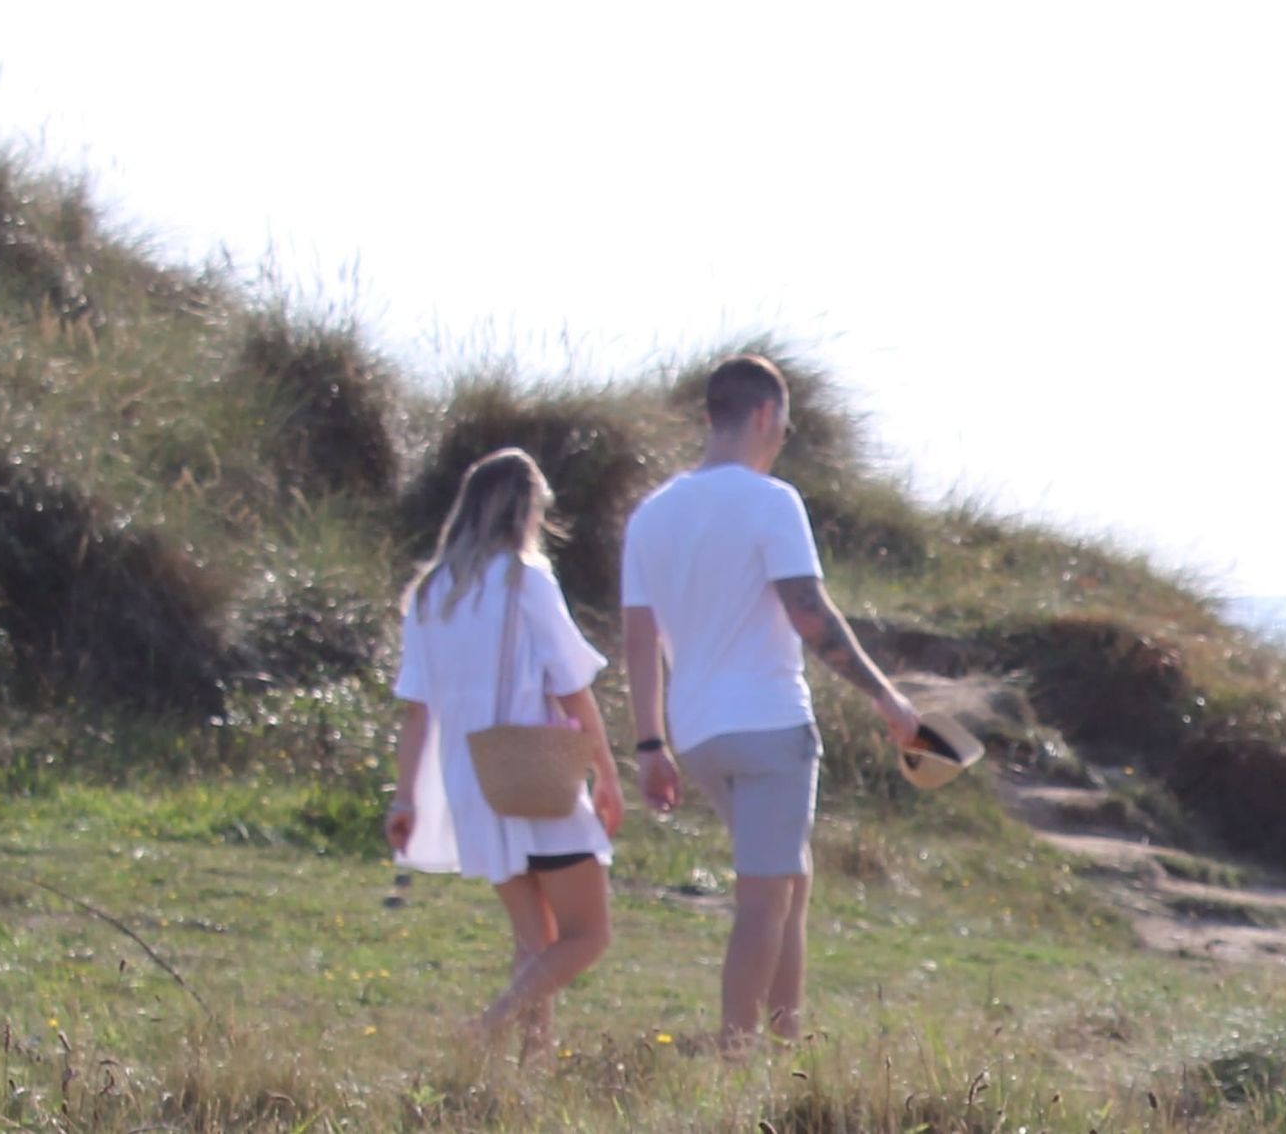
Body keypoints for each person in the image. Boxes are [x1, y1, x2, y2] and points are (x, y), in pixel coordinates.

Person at [621, 354, 921, 1054]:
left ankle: (786, 1039)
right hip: (768, 723)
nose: (783, 436)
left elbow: (638, 635)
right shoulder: (771, 501)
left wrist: (649, 743)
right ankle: (739, 1055)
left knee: (791, 878)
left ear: (708, 417)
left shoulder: (651, 514)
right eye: (783, 422)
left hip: (698, 734)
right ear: (764, 415)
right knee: (763, 897)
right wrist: (886, 696)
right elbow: (809, 613)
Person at [385, 447, 626, 1057]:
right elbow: (572, 685)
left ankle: (527, 1071)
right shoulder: (525, 579)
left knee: (534, 938)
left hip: (470, 782)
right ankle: (487, 1028)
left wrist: (404, 794)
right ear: (525, 510)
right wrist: (606, 772)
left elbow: (417, 711)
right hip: (533, 775)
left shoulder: (429, 593)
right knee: (587, 935)